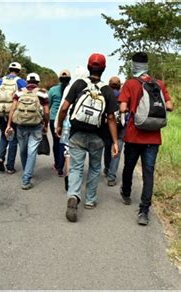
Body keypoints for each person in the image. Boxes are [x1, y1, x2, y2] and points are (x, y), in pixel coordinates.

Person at [56, 53, 119, 222]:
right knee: (94, 168)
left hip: (77, 134)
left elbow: (64, 108)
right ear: (104, 69)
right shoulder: (107, 90)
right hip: (98, 137)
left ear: (89, 66)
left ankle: (74, 195)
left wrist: (60, 125)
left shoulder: (79, 84)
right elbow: (111, 118)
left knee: (76, 168)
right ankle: (90, 200)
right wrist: (114, 141)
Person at [119, 52, 174, 226]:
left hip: (134, 135)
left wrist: (128, 110)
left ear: (133, 65)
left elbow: (122, 107)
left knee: (129, 165)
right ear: (147, 65)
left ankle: (126, 193)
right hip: (153, 137)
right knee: (148, 172)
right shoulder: (159, 83)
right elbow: (170, 106)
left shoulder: (130, 83)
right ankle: (144, 211)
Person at [6, 72, 50, 190]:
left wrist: (9, 124)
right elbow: (46, 112)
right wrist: (46, 124)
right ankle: (26, 179)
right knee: (32, 151)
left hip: (21, 126)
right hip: (36, 126)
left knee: (23, 150)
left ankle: (27, 172)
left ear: (27, 81)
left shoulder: (19, 92)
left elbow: (13, 108)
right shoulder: (42, 93)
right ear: (38, 82)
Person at [0, 62, 27, 174]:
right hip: (13, 113)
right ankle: (10, 166)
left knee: (4, 135)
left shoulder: (0, 81)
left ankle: (0, 157)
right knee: (13, 138)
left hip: (1, 112)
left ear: (9, 69)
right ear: (19, 71)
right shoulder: (20, 82)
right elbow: (25, 97)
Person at [48, 70, 71, 176]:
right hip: (66, 119)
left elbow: (48, 105)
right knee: (65, 143)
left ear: (59, 79)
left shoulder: (53, 90)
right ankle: (63, 165)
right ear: (70, 79)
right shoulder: (72, 89)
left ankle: (58, 164)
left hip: (54, 119)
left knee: (56, 142)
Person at [103, 76, 125, 186]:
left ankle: (107, 168)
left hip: (108, 125)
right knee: (117, 149)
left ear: (109, 84)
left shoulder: (106, 93)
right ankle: (111, 177)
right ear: (120, 85)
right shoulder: (123, 95)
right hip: (120, 126)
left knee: (107, 147)